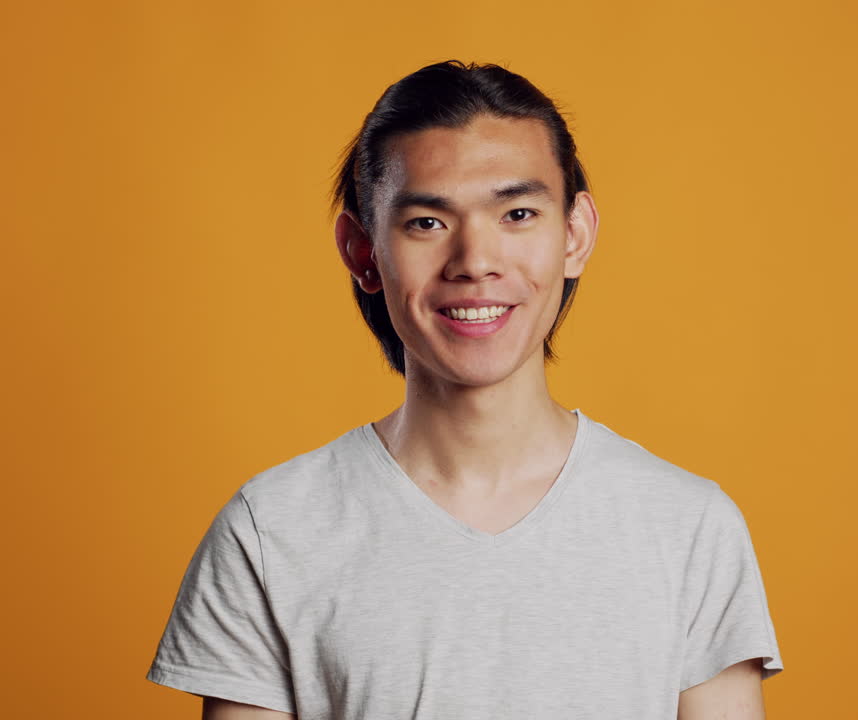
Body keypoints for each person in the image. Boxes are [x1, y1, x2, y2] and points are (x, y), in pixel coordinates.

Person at [145, 59, 784, 719]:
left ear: (574, 235)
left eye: (517, 213)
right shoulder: (271, 531)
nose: (475, 261)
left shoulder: (689, 527)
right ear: (363, 253)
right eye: (427, 222)